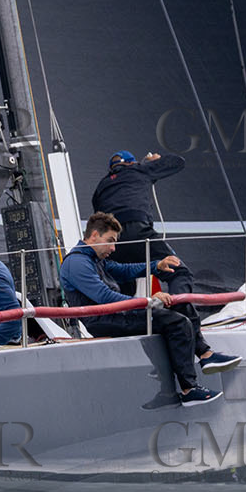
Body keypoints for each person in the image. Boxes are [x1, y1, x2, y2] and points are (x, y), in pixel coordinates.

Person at [60, 213, 238, 405]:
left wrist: (156, 265)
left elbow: (123, 270)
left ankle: (203, 358)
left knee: (178, 314)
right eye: (110, 241)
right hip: (105, 320)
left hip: (114, 315)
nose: (113, 248)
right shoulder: (77, 263)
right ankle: (189, 389)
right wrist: (147, 301)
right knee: (178, 323)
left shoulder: (93, 259)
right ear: (94, 235)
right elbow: (104, 297)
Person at [92, 149, 221, 359]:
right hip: (139, 231)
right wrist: (150, 162)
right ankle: (180, 315)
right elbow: (177, 161)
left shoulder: (102, 186)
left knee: (122, 285)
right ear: (131, 164)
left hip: (113, 240)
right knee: (179, 273)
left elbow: (99, 215)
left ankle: (120, 336)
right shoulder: (140, 170)